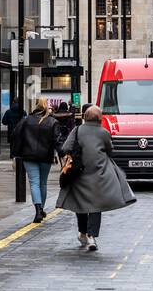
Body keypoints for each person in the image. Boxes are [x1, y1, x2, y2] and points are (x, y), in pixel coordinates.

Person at [57, 105, 136, 252]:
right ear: (100, 118)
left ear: (85, 117)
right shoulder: (104, 133)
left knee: (80, 204)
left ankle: (82, 233)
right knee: (96, 205)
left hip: (79, 175)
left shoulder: (77, 130)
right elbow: (110, 150)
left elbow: (66, 147)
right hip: (99, 175)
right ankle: (92, 236)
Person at [14, 99, 61, 222]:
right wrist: (63, 154)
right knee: (43, 183)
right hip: (45, 156)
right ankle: (42, 208)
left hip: (28, 155)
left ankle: (38, 209)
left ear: (36, 106)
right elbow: (57, 140)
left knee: (34, 182)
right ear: (47, 107)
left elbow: (16, 134)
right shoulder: (52, 121)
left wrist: (16, 152)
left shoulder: (26, 120)